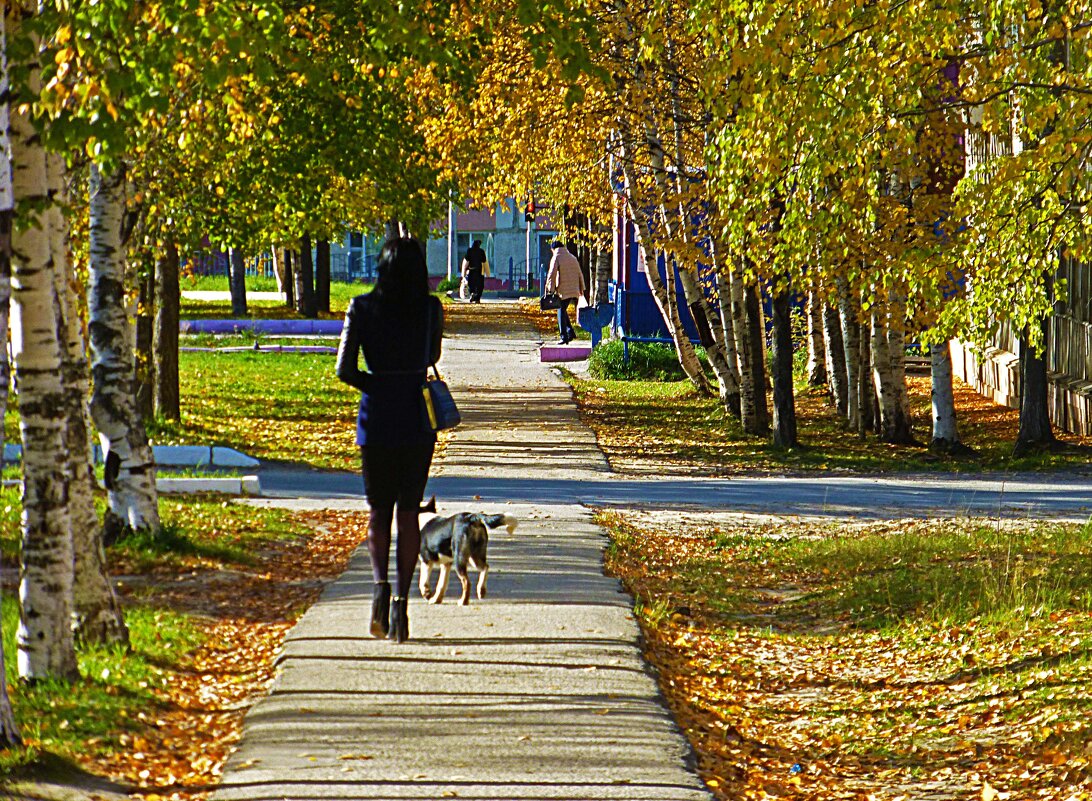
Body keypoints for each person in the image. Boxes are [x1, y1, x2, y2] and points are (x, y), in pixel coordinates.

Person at [336, 238, 443, 643]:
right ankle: (402, 607)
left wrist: (377, 386)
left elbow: (344, 369)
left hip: (376, 417)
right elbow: (432, 353)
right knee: (408, 512)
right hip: (416, 417)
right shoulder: (431, 309)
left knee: (378, 511)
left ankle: (379, 591)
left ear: (381, 268)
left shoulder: (361, 308)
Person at [545, 240, 586, 344]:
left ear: (553, 249)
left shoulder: (556, 257)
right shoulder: (572, 257)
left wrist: (550, 289)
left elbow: (552, 274)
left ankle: (564, 336)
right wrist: (582, 288)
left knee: (560, 310)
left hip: (563, 290)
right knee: (562, 309)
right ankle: (570, 332)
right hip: (574, 289)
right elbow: (580, 273)